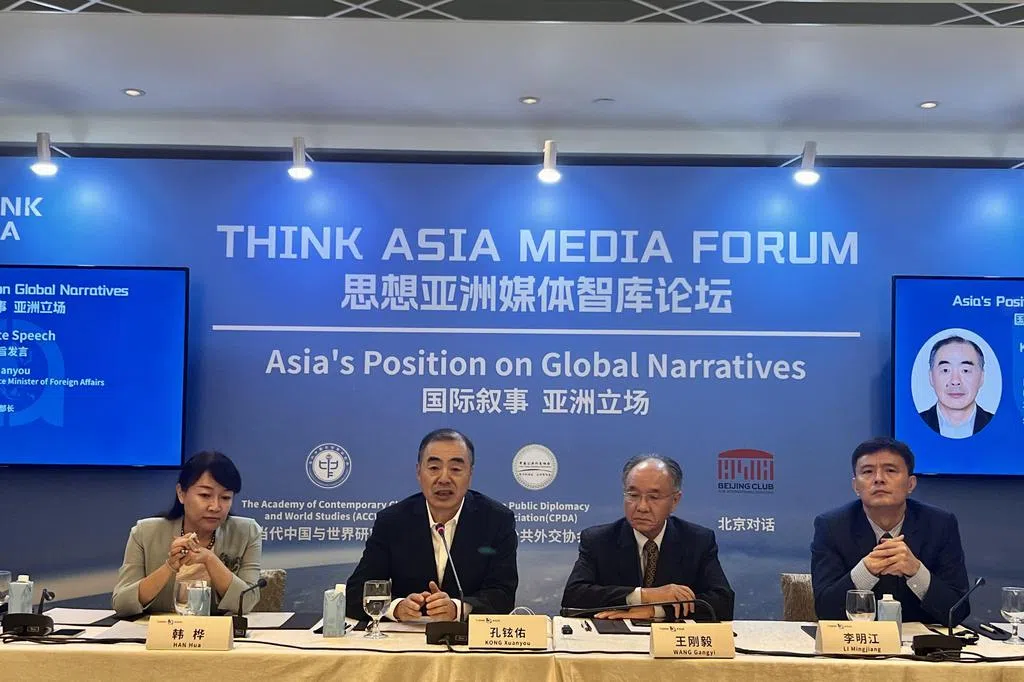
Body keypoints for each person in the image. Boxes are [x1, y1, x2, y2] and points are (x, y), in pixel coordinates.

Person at [346, 428, 518, 621]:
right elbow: (356, 592)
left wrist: (458, 608)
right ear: (419, 472)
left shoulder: (496, 520)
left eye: (455, 469)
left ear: (470, 474)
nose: (444, 479)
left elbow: (503, 594)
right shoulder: (392, 522)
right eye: (434, 468)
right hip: (406, 634)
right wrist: (396, 608)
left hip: (467, 636)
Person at [811, 437, 970, 624]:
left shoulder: (940, 525)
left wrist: (916, 571)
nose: (879, 479)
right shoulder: (832, 527)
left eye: (890, 470)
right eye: (868, 471)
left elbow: (958, 611)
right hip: (859, 639)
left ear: (910, 484)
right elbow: (825, 610)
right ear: (856, 486)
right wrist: (866, 571)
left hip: (921, 640)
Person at [561, 455, 735, 622]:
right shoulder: (599, 540)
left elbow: (722, 602)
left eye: (653, 497)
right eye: (633, 495)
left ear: (675, 501)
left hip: (671, 641)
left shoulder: (697, 541)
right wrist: (645, 595)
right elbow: (574, 596)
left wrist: (656, 610)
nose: (642, 507)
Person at [112, 451, 263, 617]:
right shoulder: (145, 533)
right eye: (205, 495)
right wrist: (169, 566)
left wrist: (210, 559)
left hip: (218, 631)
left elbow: (246, 602)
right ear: (181, 493)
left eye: (225, 497)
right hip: (157, 630)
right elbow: (122, 604)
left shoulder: (247, 532)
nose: (215, 506)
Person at [919, 335, 993, 438]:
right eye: (945, 370)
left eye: (965, 370)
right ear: (931, 377)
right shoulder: (912, 424)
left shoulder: (1001, 426)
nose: (955, 381)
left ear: (981, 377)